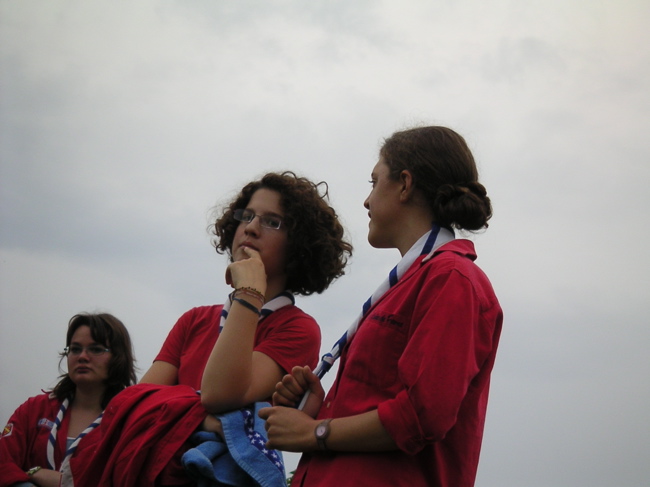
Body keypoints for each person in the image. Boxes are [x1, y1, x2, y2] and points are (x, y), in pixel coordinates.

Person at [260, 126, 503, 487]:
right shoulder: (414, 280)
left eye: (374, 182)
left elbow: (422, 415)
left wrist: (315, 433)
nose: (366, 200)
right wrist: (321, 411)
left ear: (405, 184)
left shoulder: (452, 278)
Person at [140, 170, 353, 413]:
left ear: (299, 243)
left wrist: (249, 293)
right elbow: (135, 405)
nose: (251, 228)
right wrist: (205, 421)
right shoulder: (193, 321)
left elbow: (220, 394)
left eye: (272, 222)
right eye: (247, 216)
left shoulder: (298, 329)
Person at [0, 312, 136, 487]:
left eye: (96, 349)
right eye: (75, 349)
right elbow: (3, 464)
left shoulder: (128, 422)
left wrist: (63, 482)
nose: (82, 357)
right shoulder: (35, 409)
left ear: (118, 357)